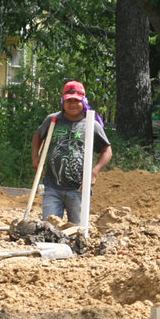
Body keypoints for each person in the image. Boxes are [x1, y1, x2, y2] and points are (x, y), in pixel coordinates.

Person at [31, 80, 113, 225]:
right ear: (63, 102)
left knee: (78, 230)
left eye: (77, 100)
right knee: (49, 227)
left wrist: (94, 172)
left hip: (78, 189)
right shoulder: (53, 120)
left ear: (83, 101)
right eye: (69, 101)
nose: (73, 104)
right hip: (52, 187)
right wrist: (35, 157)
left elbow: (107, 150)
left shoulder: (91, 124)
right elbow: (37, 136)